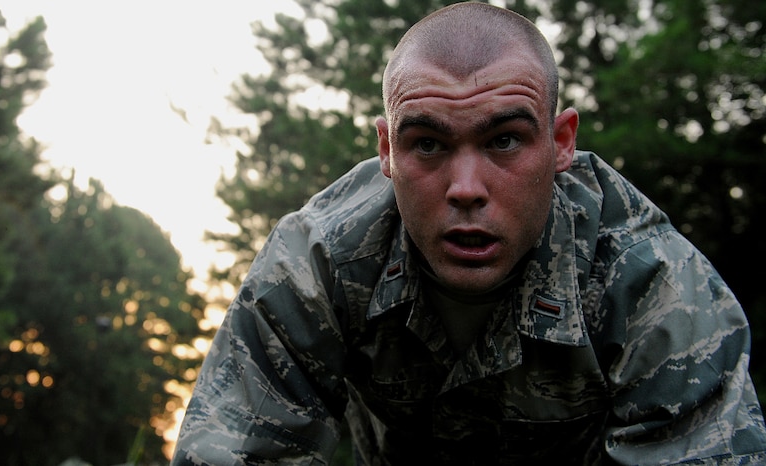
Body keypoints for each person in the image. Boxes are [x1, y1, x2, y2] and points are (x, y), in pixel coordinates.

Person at [172, 2, 766, 464]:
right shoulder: (317, 264)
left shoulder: (653, 285)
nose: (465, 188)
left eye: (503, 139)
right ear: (386, 150)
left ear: (561, 144)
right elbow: (238, 452)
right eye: (427, 144)